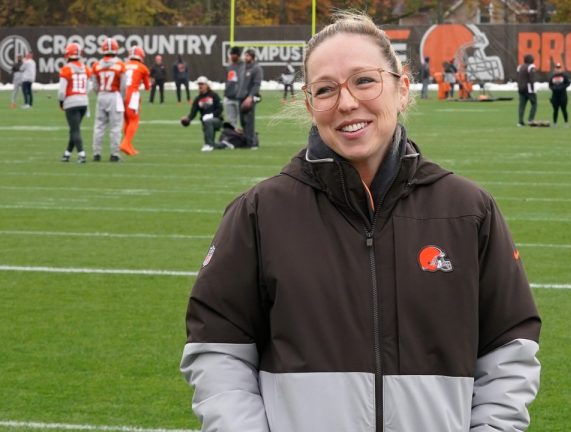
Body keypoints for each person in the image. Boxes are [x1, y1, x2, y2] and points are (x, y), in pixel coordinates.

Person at [180, 10, 541, 432]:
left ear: (402, 88)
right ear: (309, 103)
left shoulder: (467, 211)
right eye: (326, 89)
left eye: (364, 80)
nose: (347, 102)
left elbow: (508, 351)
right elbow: (218, 351)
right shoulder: (260, 213)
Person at [91, 38, 126, 162]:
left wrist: (100, 94)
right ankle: (114, 154)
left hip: (101, 95)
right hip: (114, 95)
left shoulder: (96, 65)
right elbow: (123, 86)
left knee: (99, 126)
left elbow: (94, 86)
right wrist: (122, 99)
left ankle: (96, 153)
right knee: (115, 127)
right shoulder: (120, 65)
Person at [58, 43, 92, 164]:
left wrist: (61, 102)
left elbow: (62, 91)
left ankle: (81, 154)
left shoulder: (66, 69)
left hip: (71, 102)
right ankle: (67, 154)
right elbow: (89, 86)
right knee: (74, 129)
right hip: (83, 101)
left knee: (75, 129)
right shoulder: (85, 68)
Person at [119, 46, 151, 156]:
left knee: (126, 120)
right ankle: (125, 143)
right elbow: (148, 87)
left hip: (121, 94)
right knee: (134, 120)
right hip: (132, 95)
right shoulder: (143, 68)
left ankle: (128, 145)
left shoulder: (124, 65)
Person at [180, 76, 223, 151]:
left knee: (208, 122)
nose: (200, 86)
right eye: (199, 84)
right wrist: (187, 119)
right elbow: (193, 113)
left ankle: (208, 145)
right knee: (212, 142)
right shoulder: (197, 99)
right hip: (205, 123)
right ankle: (223, 144)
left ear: (206, 85)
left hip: (217, 120)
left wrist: (211, 115)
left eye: (202, 84)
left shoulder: (214, 95)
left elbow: (220, 109)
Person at [236, 48, 263, 149]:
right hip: (240, 97)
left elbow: (257, 84)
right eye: (245, 55)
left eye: (247, 56)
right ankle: (248, 139)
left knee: (249, 120)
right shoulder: (243, 67)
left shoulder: (257, 68)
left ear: (252, 57)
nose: (245, 57)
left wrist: (251, 97)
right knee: (243, 121)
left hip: (249, 98)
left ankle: (251, 143)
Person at [223, 46, 244, 127]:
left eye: (233, 54)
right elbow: (228, 81)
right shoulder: (229, 66)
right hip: (229, 97)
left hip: (240, 98)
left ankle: (246, 139)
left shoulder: (244, 66)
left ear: (238, 55)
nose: (231, 56)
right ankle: (233, 138)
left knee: (244, 122)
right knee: (231, 123)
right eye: (231, 54)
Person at [517, 54, 537, 126]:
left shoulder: (520, 67)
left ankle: (520, 121)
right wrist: (533, 88)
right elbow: (531, 78)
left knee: (522, 105)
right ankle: (530, 120)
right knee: (534, 103)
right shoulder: (531, 67)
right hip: (528, 89)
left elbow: (518, 77)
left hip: (520, 88)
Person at [548, 62, 571, 127]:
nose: (558, 69)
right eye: (556, 68)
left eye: (559, 68)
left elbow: (568, 83)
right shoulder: (552, 76)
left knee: (564, 109)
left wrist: (562, 87)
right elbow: (550, 85)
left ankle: (566, 123)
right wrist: (554, 88)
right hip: (555, 96)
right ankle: (555, 123)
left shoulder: (564, 76)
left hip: (563, 95)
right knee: (555, 110)